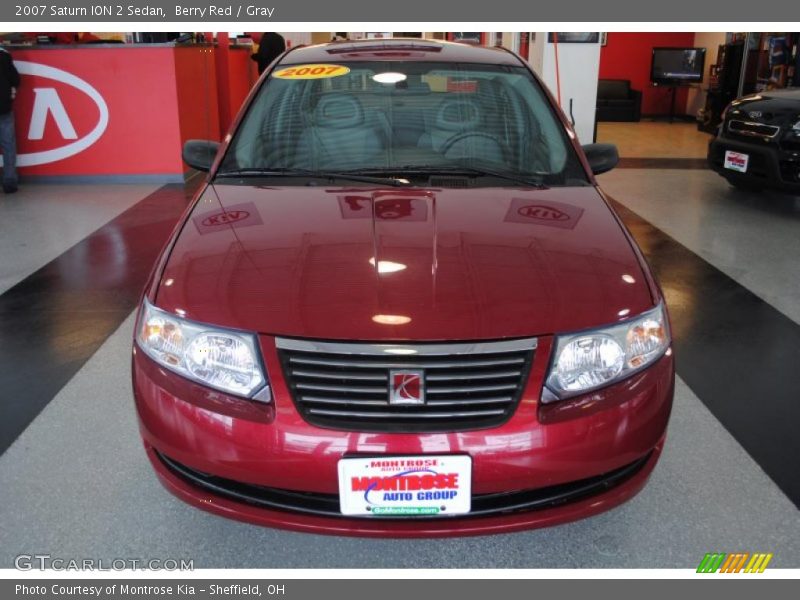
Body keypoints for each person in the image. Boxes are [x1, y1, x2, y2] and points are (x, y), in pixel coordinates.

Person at [0, 46, 20, 194]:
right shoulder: (4, 56)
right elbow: (16, 79)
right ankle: (9, 182)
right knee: (8, 144)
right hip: (3, 106)